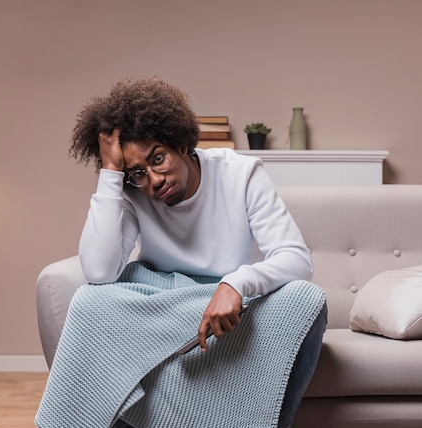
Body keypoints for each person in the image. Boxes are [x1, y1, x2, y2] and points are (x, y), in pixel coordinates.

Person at [68, 76, 327, 427]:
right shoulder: (132, 190)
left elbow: (296, 258)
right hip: (167, 301)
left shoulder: (241, 173)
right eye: (138, 172)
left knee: (306, 299)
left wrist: (236, 284)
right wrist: (111, 174)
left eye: (158, 158)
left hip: (232, 307)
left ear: (182, 143)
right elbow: (99, 272)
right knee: (89, 300)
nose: (154, 179)